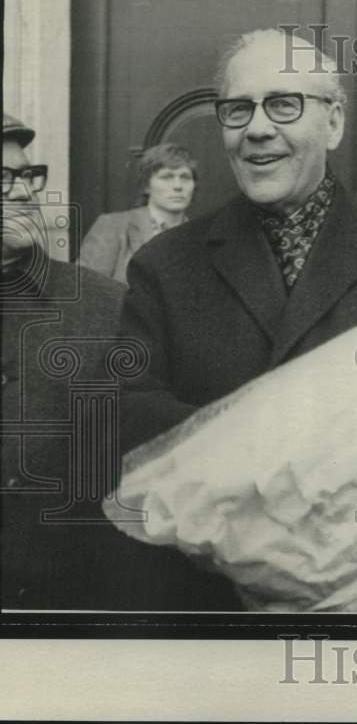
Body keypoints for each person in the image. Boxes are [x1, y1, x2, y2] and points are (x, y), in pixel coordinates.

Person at [116, 29, 357, 612]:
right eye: (238, 108)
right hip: (205, 612)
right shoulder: (166, 266)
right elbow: (127, 409)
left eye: (283, 104)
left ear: (333, 123)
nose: (255, 128)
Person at [2, 112, 228, 610]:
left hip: (70, 605)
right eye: (3, 179)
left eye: (26, 176)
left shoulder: (106, 306)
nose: (22, 193)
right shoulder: (114, 231)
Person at [79, 143, 198, 284]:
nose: (178, 186)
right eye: (167, 177)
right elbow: (86, 290)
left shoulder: (199, 236)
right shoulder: (113, 226)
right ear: (147, 185)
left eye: (185, 177)